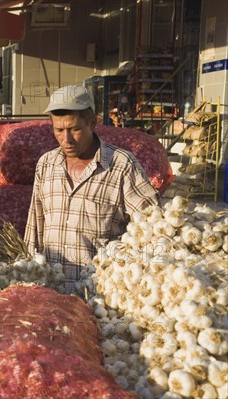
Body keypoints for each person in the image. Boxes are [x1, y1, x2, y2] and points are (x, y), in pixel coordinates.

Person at [24, 84, 160, 293]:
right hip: (51, 294)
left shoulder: (121, 165)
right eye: (59, 130)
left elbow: (152, 226)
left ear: (92, 123)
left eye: (75, 129)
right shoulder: (46, 165)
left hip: (100, 297)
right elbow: (35, 227)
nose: (66, 139)